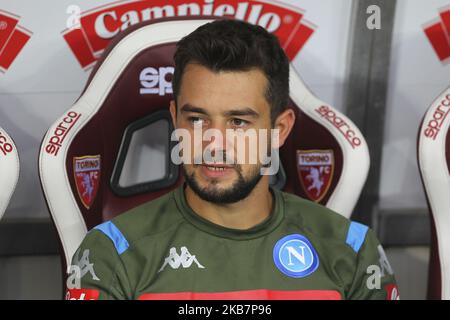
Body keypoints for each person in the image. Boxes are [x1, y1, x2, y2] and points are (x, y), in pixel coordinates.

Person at [66, 19, 398, 300]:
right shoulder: (111, 252)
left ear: (279, 129)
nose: (214, 143)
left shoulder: (352, 250)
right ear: (175, 118)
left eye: (238, 122)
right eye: (196, 119)